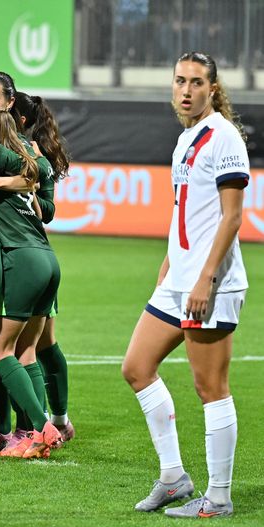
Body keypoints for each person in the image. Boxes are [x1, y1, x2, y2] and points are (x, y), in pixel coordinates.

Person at [122, 51, 249, 518]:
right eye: (179, 80)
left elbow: (232, 217)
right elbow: (184, 216)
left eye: (196, 82)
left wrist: (206, 278)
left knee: (210, 387)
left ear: (212, 89)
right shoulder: (186, 138)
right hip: (178, 279)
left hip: (209, 284)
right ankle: (174, 478)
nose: (186, 90)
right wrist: (169, 267)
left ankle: (218, 497)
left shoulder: (224, 137)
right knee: (136, 366)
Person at [0, 107, 62, 459]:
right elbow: (40, 174)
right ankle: (32, 431)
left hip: (19, 258)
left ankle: (41, 429)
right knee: (26, 352)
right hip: (47, 259)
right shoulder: (23, 158)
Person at [12, 91, 74, 444]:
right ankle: (58, 421)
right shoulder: (17, 147)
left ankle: (39, 426)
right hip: (38, 255)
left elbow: (48, 210)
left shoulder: (32, 154)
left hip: (26, 254)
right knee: (43, 343)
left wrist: (32, 190)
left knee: (29, 347)